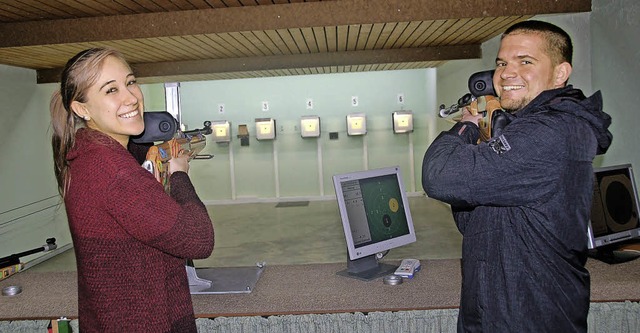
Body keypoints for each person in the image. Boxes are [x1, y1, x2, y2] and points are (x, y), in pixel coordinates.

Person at [422, 20, 612, 332]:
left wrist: (468, 126)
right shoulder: (533, 129)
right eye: (502, 63)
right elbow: (476, 222)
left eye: (526, 61)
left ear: (561, 73)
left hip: (528, 320)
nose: (507, 73)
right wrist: (488, 142)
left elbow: (439, 175)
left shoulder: (553, 133)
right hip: (496, 312)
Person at [50, 47, 215, 332]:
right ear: (81, 108)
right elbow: (198, 239)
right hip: (142, 322)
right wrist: (179, 174)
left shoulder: (90, 155)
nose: (131, 97)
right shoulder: (113, 170)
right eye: (110, 90)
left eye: (130, 82)